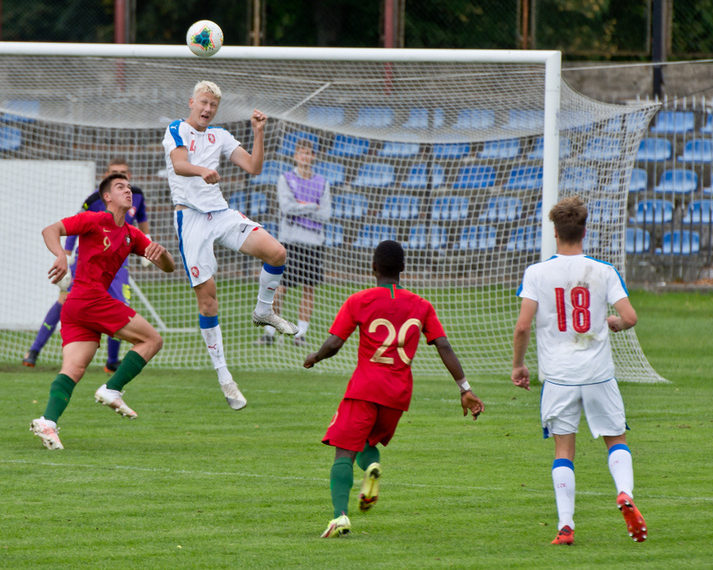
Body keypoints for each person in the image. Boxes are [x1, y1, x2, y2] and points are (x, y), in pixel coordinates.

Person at [303, 240, 485, 538]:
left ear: (373, 267)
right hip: (398, 394)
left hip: (365, 388)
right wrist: (464, 388)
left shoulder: (358, 300)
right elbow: (443, 344)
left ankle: (340, 517)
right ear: (403, 268)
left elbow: (335, 344)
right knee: (367, 442)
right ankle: (372, 465)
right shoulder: (421, 305)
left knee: (343, 452)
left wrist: (315, 356)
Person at [511, 196, 646, 545]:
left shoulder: (537, 273)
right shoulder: (603, 271)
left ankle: (566, 527)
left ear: (555, 233)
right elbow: (630, 317)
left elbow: (523, 326)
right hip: (599, 373)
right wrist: (615, 323)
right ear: (585, 232)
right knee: (615, 439)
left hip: (558, 377)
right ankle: (624, 492)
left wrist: (519, 365)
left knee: (563, 450)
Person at [163, 80, 298, 411]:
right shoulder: (176, 129)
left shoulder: (220, 136)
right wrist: (202, 171)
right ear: (192, 101)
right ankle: (225, 377)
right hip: (191, 220)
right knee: (208, 303)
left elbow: (254, 167)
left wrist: (258, 132)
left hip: (220, 214)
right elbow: (180, 165)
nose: (208, 109)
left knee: (277, 252)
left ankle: (264, 310)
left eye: (213, 106)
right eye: (204, 103)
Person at [30, 172, 175, 450]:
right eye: (120, 187)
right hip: (90, 298)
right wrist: (62, 256)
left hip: (76, 306)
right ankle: (111, 389)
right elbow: (50, 230)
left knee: (73, 369)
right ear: (106, 197)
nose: (128, 191)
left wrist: (163, 253)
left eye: (129, 187)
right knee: (152, 340)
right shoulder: (95, 219)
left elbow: (167, 267)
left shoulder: (132, 234)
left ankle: (48, 421)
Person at [23, 158, 150, 373]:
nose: (120, 175)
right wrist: (67, 254)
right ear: (106, 177)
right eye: (114, 172)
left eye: (123, 172)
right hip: (88, 260)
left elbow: (142, 218)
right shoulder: (95, 200)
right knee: (64, 300)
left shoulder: (136, 195)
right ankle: (34, 350)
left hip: (119, 263)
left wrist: (148, 239)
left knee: (121, 304)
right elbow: (77, 224)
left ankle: (111, 361)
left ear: (130, 175)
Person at [255, 138, 331, 347]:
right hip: (291, 241)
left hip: (314, 242)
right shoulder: (286, 179)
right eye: (301, 153)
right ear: (295, 156)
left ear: (313, 156)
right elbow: (287, 208)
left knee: (309, 288)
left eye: (308, 153)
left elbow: (325, 214)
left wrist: (302, 205)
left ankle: (300, 335)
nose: (305, 157)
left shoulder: (322, 182)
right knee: (280, 287)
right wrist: (311, 206)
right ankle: (270, 332)